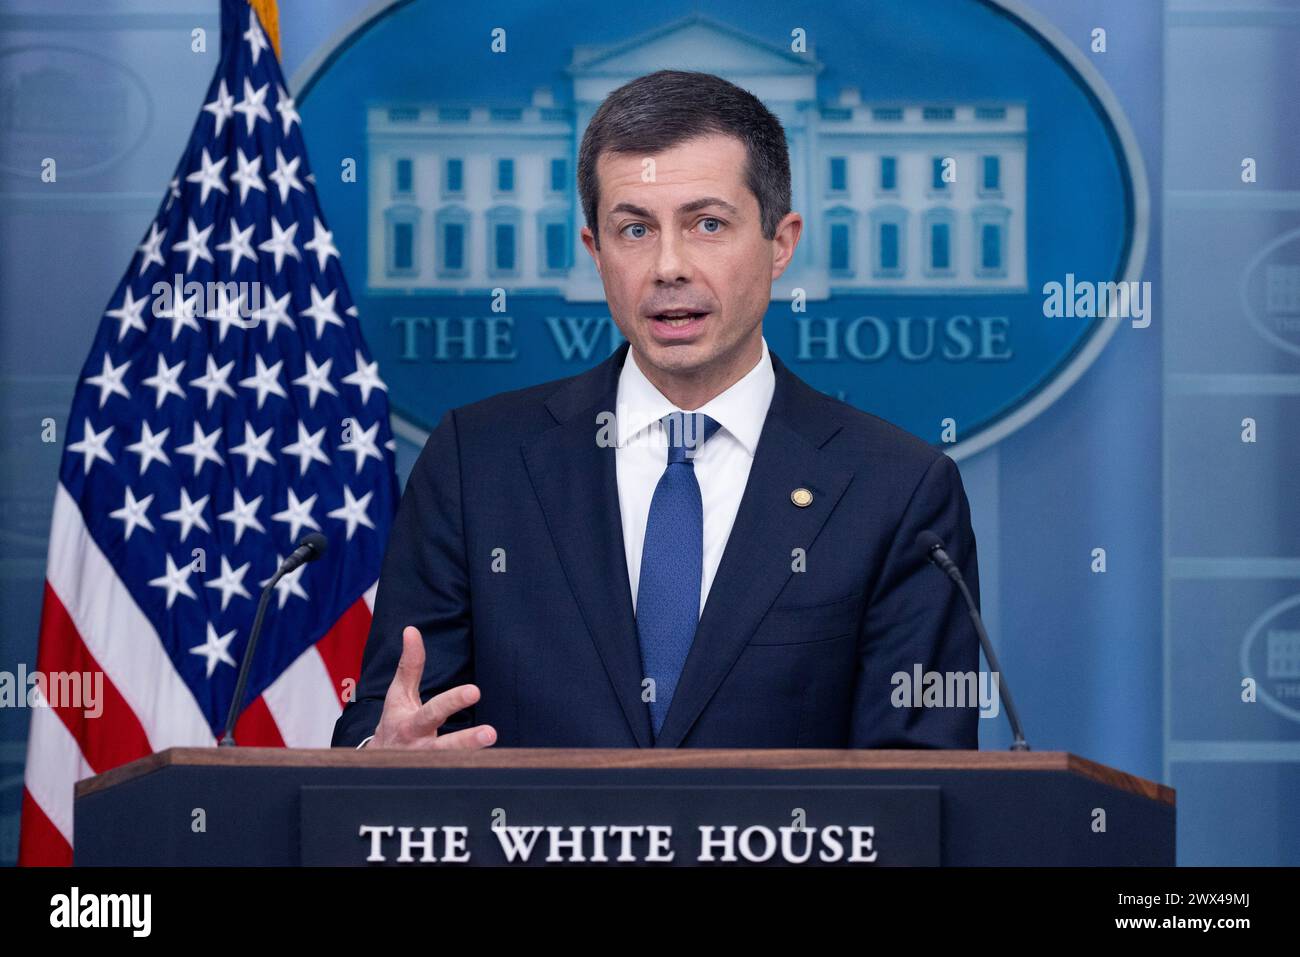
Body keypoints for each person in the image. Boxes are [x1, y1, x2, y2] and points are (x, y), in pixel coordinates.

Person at [332, 69, 981, 751]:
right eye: (636, 230)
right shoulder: (476, 464)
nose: (669, 265)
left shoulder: (898, 490)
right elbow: (390, 722)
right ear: (597, 252)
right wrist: (382, 760)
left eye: (707, 224)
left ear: (781, 243)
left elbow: (917, 793)